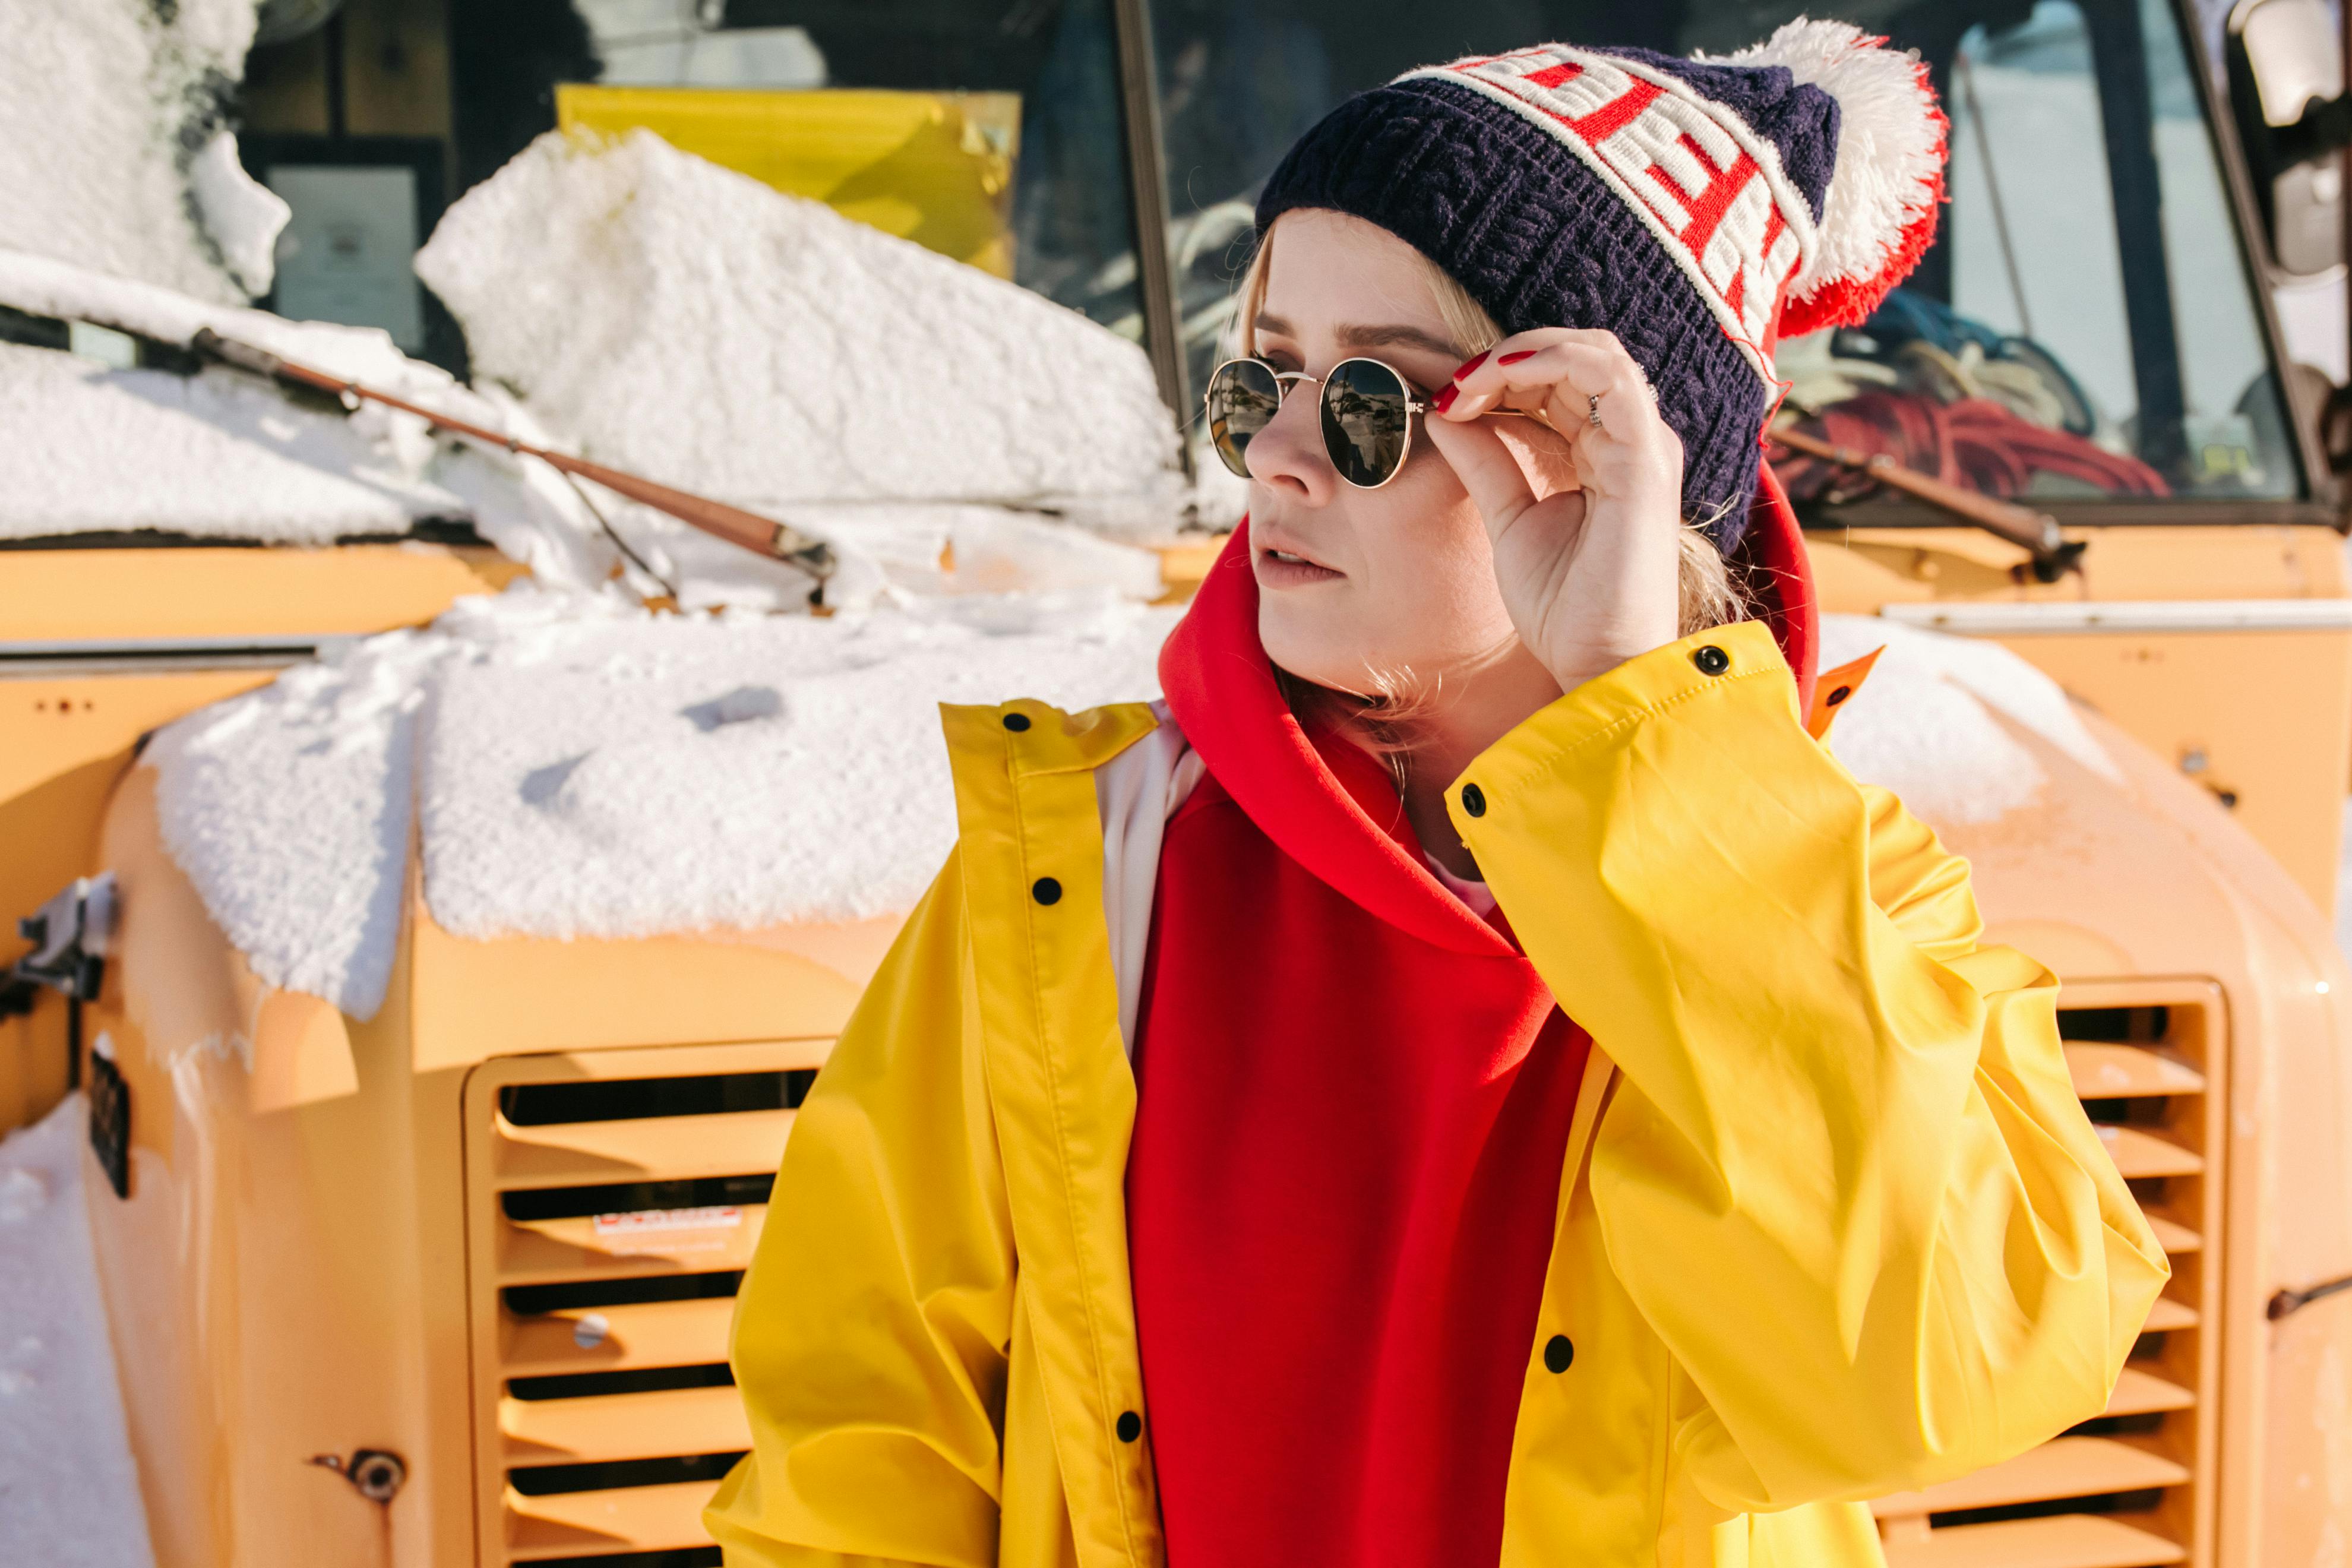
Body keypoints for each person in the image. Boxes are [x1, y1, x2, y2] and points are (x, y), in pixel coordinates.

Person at [707, 24, 2168, 1567]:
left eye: (1375, 406)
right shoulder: (1085, 880)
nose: (1272, 455)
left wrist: (1632, 715)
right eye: (1259, 372)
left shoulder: (1827, 896)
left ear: (1598, 468)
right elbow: (859, 1457)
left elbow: (1950, 1364)